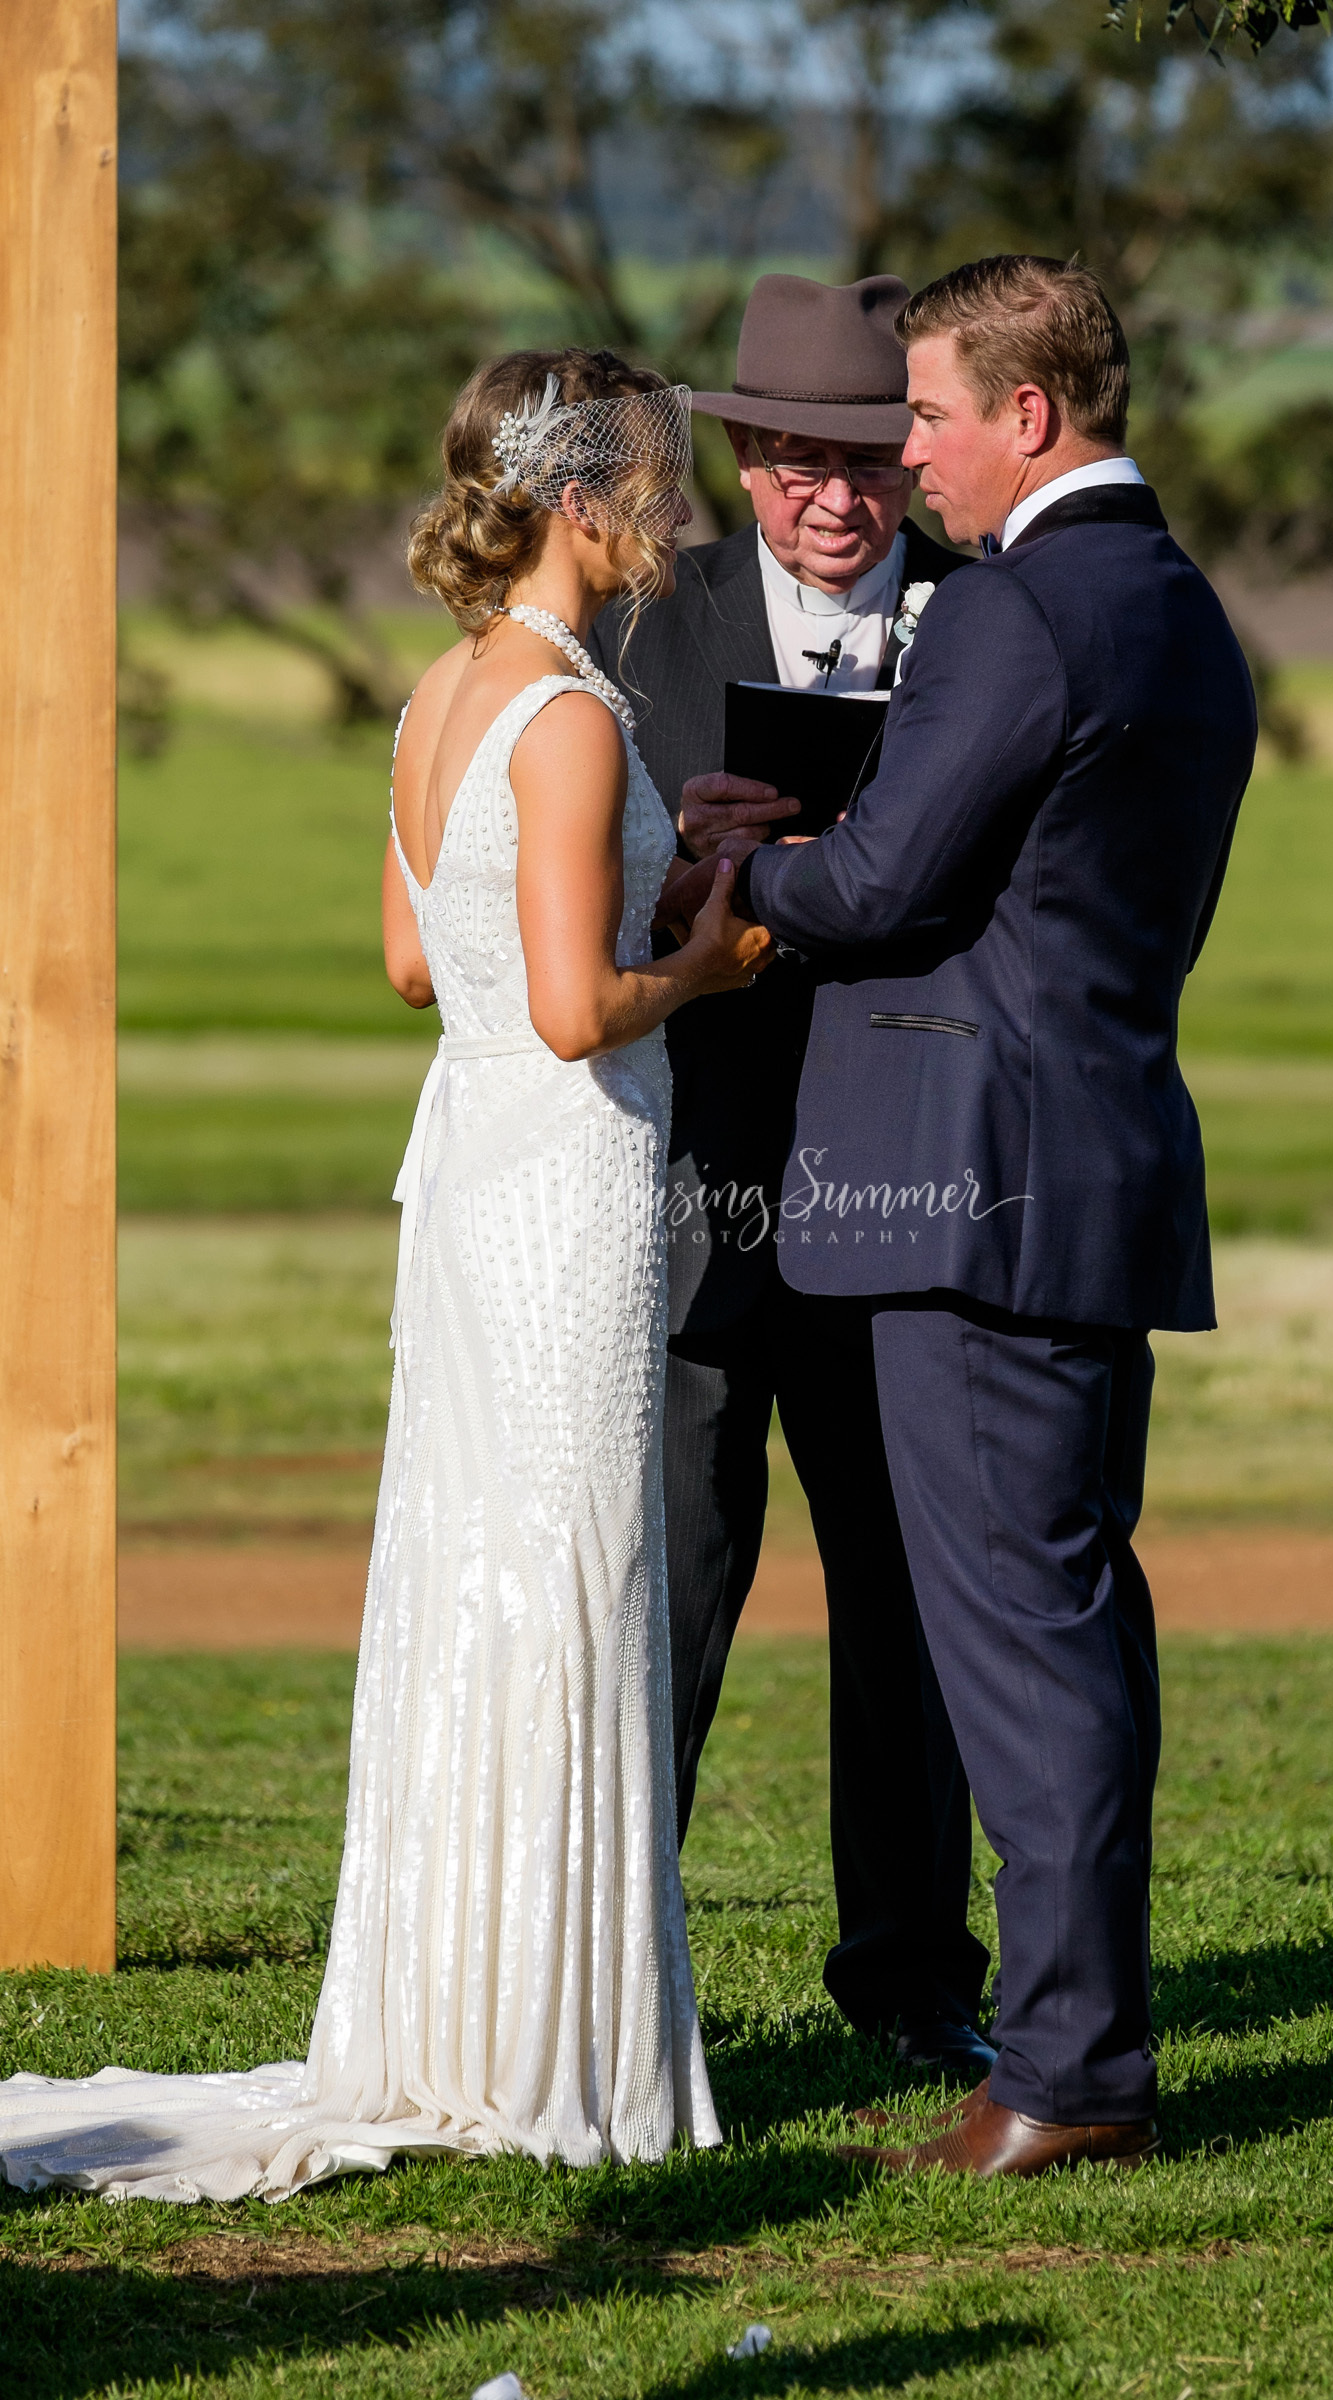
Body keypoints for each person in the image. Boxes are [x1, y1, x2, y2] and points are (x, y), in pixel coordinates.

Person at [0, 348, 767, 2202]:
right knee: (570, 1573)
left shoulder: (441, 693)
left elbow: (423, 965)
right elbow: (575, 1010)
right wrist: (711, 961)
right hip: (567, 1177)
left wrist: (653, 890)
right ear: (578, 499)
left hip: (469, 1170)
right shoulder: (569, 714)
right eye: (654, 483)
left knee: (476, 1570)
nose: (673, 516)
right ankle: (543, 2041)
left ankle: (468, 2006)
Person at [701, 255, 1258, 2177]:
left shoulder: (1016, 606)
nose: (908, 453)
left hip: (968, 1195)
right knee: (1076, 1623)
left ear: (1029, 413)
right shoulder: (1180, 606)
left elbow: (884, 883)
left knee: (1021, 1642)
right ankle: (1081, 2041)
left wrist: (745, 868)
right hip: (1096, 1169)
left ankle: (1069, 2075)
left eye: (928, 413)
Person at [590, 273, 992, 2078]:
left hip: (909, 1170)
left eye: (870, 460)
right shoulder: (638, 627)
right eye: (798, 461)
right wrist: (677, 869)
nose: (838, 496)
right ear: (746, 456)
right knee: (670, 1572)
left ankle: (912, 1984)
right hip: (701, 1172)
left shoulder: (992, 619)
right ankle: (621, 1975)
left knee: (903, 1587)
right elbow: (549, 900)